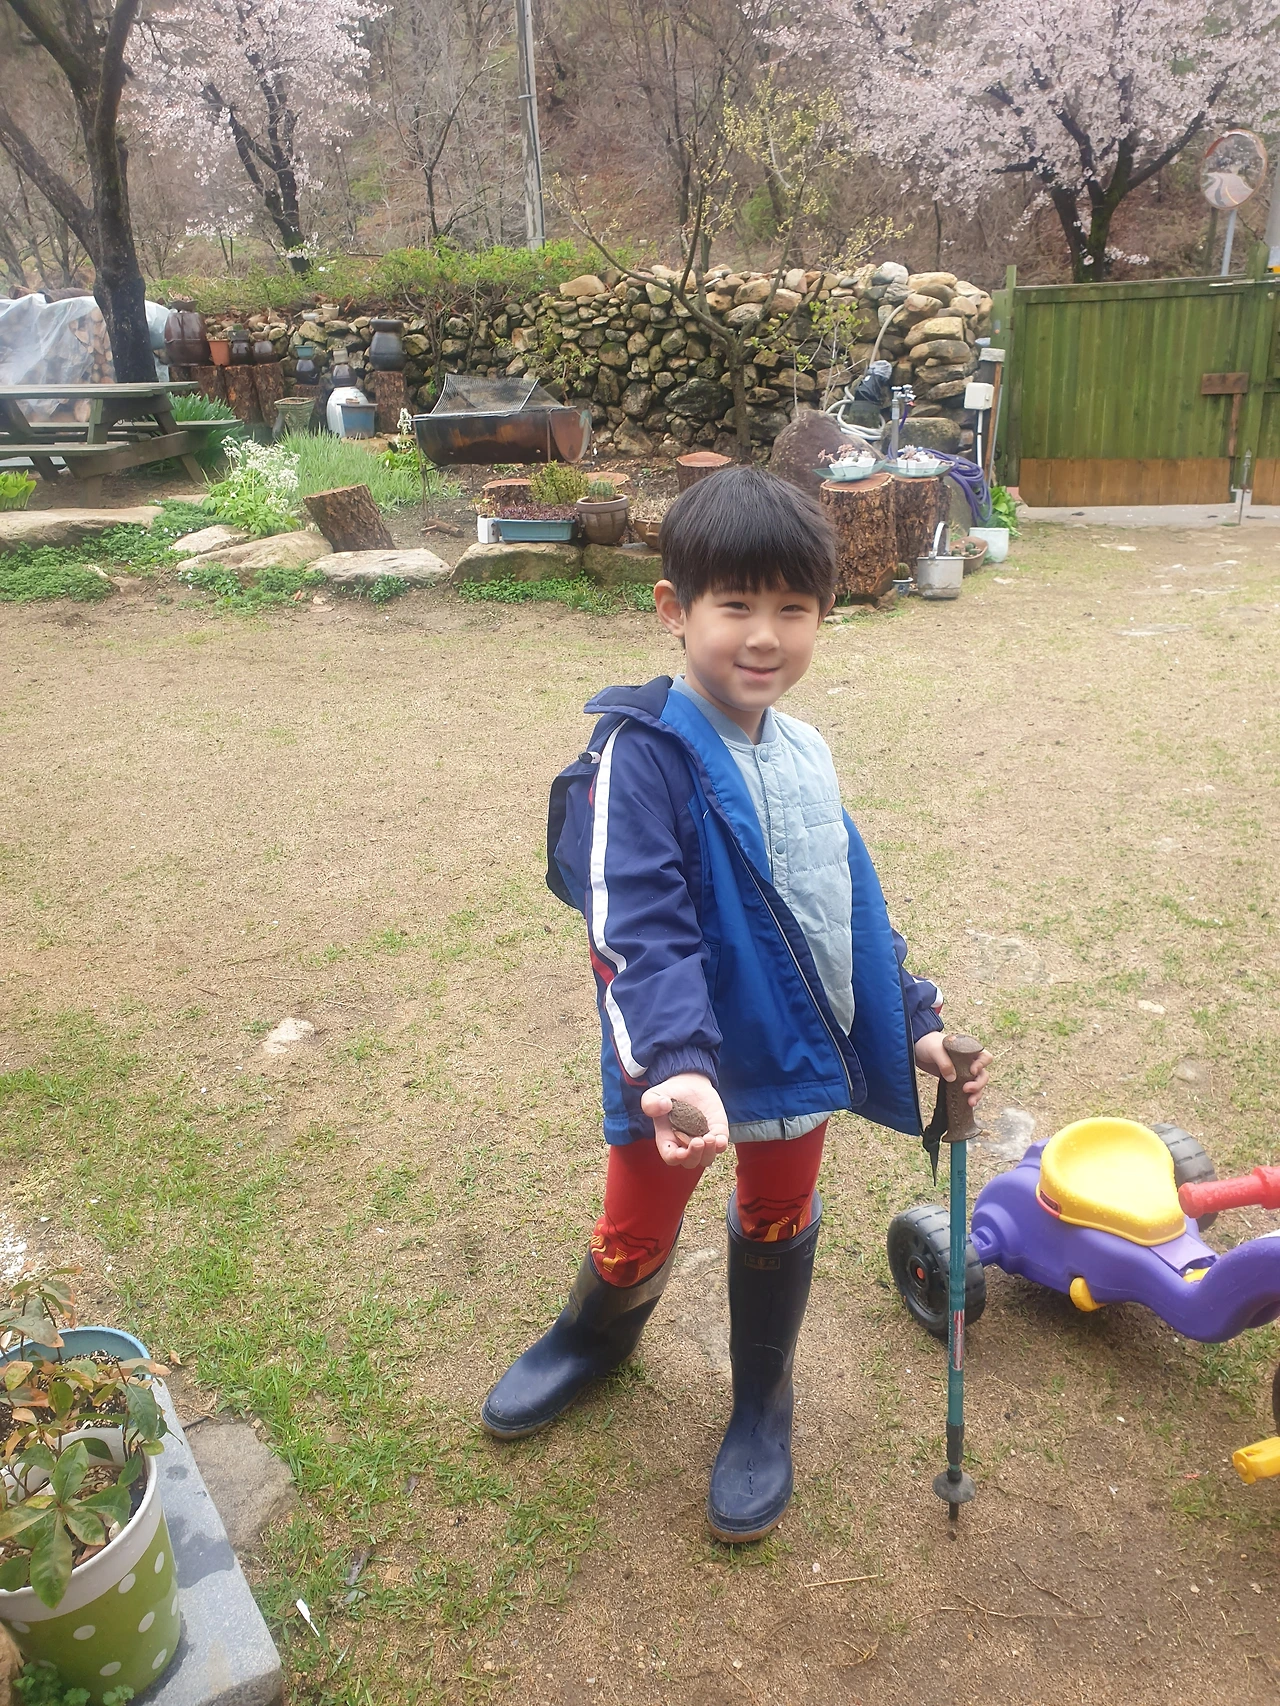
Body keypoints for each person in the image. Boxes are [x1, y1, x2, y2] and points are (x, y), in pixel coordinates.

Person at [480, 465, 989, 1542]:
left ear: (824, 614)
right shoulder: (641, 755)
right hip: (678, 1070)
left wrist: (915, 1020)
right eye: (736, 604)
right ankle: (593, 1337)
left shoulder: (806, 753)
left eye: (792, 608)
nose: (764, 636)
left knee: (777, 1214)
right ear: (675, 609)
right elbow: (637, 925)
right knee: (636, 1220)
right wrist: (675, 1062)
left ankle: (762, 1398)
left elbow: (848, 907)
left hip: (791, 1046)